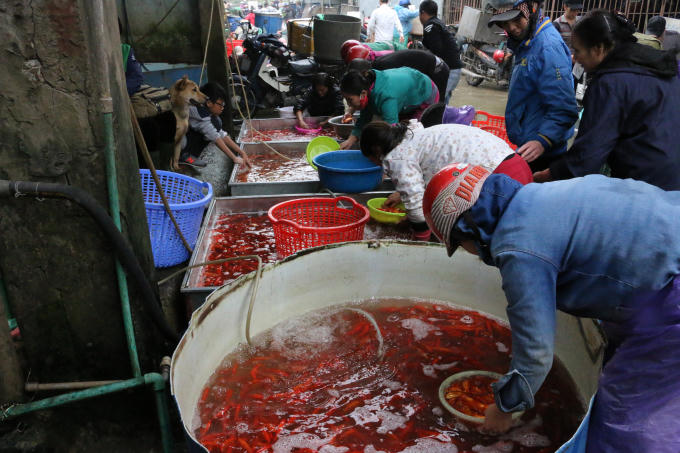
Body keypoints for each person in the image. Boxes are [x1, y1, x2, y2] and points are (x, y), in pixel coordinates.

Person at [534, 10, 680, 190]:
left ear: (599, 49)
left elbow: (588, 155)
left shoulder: (610, 83)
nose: (576, 58)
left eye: (578, 51)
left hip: (647, 186)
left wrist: (551, 175)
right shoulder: (657, 64)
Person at [360, 122, 532, 240]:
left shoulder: (396, 157)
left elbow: (415, 204)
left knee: (491, 238)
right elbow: (429, 167)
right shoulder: (413, 137)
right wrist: (400, 194)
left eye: (371, 160)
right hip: (516, 163)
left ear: (376, 151)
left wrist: (419, 240)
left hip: (498, 177)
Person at [487, 0, 578, 172]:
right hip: (528, 142)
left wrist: (543, 140)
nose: (512, 28)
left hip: (542, 151)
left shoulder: (547, 47)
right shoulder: (528, 42)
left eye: (516, 20)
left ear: (531, 11)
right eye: (504, 23)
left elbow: (564, 107)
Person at [338, 68, 438, 149]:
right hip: (406, 90)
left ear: (363, 94)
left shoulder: (387, 97)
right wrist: (350, 141)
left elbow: (391, 131)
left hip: (425, 92)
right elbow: (364, 117)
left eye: (350, 99)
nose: (349, 104)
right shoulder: (367, 84)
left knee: (413, 135)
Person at [182, 82, 252, 169]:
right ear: (209, 103)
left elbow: (222, 134)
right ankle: (185, 157)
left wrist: (242, 152)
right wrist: (234, 158)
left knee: (216, 123)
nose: (222, 107)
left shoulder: (205, 109)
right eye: (220, 104)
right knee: (210, 131)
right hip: (180, 142)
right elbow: (215, 137)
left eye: (223, 104)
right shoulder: (200, 114)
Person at [346, 49, 450, 97]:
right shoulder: (376, 66)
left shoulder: (384, 69)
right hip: (423, 70)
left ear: (365, 73)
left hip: (437, 69)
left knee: (437, 109)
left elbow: (396, 93)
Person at [418, 0, 463, 105]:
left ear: (423, 13)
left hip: (450, 70)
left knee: (437, 100)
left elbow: (436, 51)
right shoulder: (438, 23)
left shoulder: (430, 26)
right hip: (453, 68)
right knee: (443, 100)